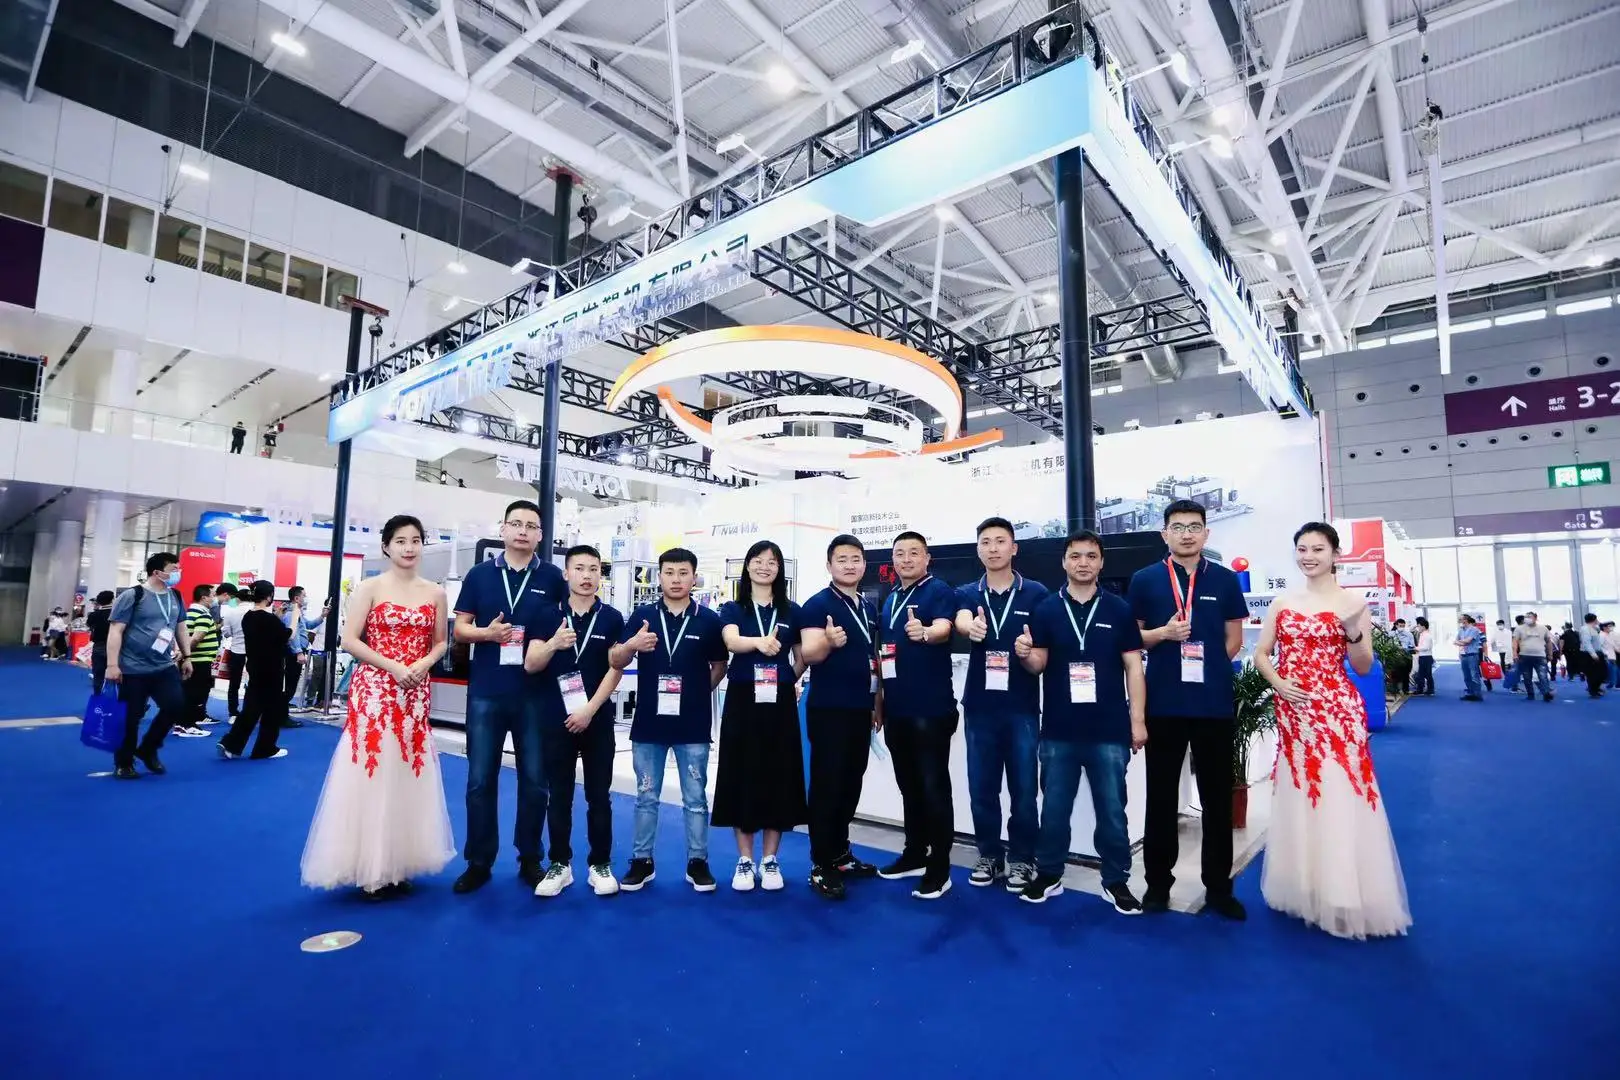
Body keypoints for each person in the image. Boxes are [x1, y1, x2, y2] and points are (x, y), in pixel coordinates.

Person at [1253, 522, 1411, 940]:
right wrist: (1278, 683)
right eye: (1302, 548)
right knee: (1300, 789)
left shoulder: (1352, 602)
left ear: (1335, 554)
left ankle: (1343, 891)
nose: (1308, 556)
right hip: (1294, 712)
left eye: (1318, 549)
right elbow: (1262, 653)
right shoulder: (1283, 602)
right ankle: (1302, 884)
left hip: (1336, 711)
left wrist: (1353, 629)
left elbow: (1363, 665)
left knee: (1340, 791)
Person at [301, 514, 455, 900]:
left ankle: (398, 862)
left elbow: (441, 641)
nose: (409, 548)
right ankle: (369, 866)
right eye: (401, 541)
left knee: (407, 770)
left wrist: (422, 664)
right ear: (386, 546)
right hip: (375, 690)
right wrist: (394, 667)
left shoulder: (435, 593)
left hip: (415, 692)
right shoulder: (369, 588)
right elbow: (351, 640)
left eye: (415, 540)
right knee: (373, 769)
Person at [1128, 499, 1249, 920]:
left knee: (1217, 799)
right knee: (1160, 798)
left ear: (1206, 533)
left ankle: (1219, 888)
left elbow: (1234, 639)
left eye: (1194, 526)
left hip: (1213, 705)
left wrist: (1209, 667)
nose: (1186, 534)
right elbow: (1133, 640)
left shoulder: (1226, 580)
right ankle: (1157, 886)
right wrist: (1164, 633)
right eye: (1177, 527)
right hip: (1164, 703)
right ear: (1165, 534)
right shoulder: (1145, 579)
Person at [1017, 530, 1146, 912]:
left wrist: (1137, 721)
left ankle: (1116, 881)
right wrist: (1024, 653)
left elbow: (1134, 667)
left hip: (1110, 730)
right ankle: (1049, 874)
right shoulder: (1046, 608)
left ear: (1101, 562)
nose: (1083, 563)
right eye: (1075, 556)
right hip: (1059, 731)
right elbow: (1038, 664)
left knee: (1112, 812)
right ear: (1064, 562)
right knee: (1054, 810)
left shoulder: (1119, 609)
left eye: (1091, 556)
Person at [451, 499, 566, 894]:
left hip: (535, 694)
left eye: (530, 526)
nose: (522, 531)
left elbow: (564, 627)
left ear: (540, 535)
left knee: (535, 782)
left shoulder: (553, 578)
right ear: (502, 529)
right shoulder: (479, 575)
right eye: (515, 524)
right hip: (487, 691)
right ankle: (479, 861)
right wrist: (488, 634)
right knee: (480, 781)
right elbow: (460, 629)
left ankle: (530, 857)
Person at [612, 547, 728, 893]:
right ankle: (641, 860)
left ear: (694, 577)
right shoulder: (643, 616)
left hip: (693, 725)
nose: (676, 580)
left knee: (696, 798)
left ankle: (698, 861)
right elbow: (616, 659)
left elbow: (720, 666)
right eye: (669, 572)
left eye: (683, 573)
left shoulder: (709, 620)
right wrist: (632, 644)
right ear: (659, 576)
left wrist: (696, 694)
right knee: (646, 795)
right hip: (649, 723)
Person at [523, 545, 626, 898]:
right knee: (559, 795)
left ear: (600, 576)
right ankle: (560, 864)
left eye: (593, 569)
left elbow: (616, 669)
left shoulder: (612, 618)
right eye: (579, 568)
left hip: (596, 718)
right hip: (556, 717)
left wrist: (589, 710)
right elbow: (531, 664)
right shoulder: (546, 614)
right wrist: (553, 643)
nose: (586, 576)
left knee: (599, 796)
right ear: (566, 573)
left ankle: (600, 864)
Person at [953, 516, 1048, 891]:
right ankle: (989, 855)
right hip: (979, 707)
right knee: (982, 788)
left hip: (1021, 707)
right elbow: (961, 619)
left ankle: (1023, 858)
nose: (993, 548)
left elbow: (1042, 653)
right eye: (986, 542)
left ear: (1014, 548)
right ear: (978, 550)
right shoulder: (968, 592)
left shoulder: (1036, 593)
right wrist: (970, 627)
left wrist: (1027, 650)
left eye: (1000, 541)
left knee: (1024, 790)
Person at [715, 540, 807, 893]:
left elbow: (802, 656)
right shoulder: (733, 607)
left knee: (778, 776)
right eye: (758, 560)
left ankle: (770, 859)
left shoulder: (792, 610)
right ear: (747, 566)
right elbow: (731, 641)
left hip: (779, 703)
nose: (765, 566)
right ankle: (744, 859)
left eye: (772, 562)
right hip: (742, 700)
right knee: (742, 774)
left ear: (780, 569)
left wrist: (786, 679)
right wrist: (758, 643)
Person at [797, 535, 882, 901]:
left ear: (864, 564)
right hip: (829, 709)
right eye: (842, 559)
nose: (850, 565)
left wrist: (877, 700)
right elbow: (809, 654)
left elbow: (873, 658)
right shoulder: (817, 605)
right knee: (828, 785)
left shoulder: (868, 606)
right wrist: (828, 641)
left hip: (860, 707)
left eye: (855, 559)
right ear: (829, 565)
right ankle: (821, 863)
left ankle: (841, 853)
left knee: (851, 782)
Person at [877, 531, 961, 901]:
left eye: (914, 553)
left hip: (930, 709)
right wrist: (880, 702)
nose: (907, 559)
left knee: (933, 787)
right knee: (909, 786)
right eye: (900, 553)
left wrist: (926, 632)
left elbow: (944, 628)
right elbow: (885, 654)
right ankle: (914, 853)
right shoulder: (892, 597)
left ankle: (940, 867)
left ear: (927, 558)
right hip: (897, 709)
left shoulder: (938, 590)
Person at [105, 553, 193, 779]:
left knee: (175, 706)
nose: (178, 573)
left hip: (164, 666)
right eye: (174, 569)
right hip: (133, 668)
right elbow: (115, 630)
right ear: (157, 572)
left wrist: (187, 656)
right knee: (130, 717)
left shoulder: (175, 595)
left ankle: (148, 748)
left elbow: (180, 627)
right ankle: (124, 762)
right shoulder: (133, 595)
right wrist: (112, 665)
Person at [217, 581, 293, 760]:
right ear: (269, 596)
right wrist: (295, 616)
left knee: (251, 707)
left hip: (255, 666)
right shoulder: (268, 619)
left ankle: (231, 743)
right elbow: (287, 635)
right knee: (271, 709)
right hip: (272, 669)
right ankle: (265, 748)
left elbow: (267, 635)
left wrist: (277, 617)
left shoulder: (249, 617)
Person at [179, 583, 223, 736]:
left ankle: (184, 723)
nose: (214, 598)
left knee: (189, 692)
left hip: (194, 660)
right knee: (195, 693)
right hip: (199, 661)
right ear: (204, 598)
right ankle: (187, 724)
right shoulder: (202, 614)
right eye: (212, 595)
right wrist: (184, 654)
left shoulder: (189, 612)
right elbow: (196, 638)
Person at [281, 587, 325, 724]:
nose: (306, 598)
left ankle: (281, 714)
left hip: (296, 652)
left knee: (291, 684)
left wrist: (322, 616)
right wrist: (299, 652)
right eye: (304, 596)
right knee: (290, 685)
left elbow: (308, 624)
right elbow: (293, 635)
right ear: (296, 598)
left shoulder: (297, 613)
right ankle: (281, 716)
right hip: (293, 654)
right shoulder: (291, 614)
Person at [220, 583, 248, 716]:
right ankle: (249, 711)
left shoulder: (231, 612)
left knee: (234, 683)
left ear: (237, 598)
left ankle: (233, 712)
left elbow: (226, 633)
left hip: (237, 650)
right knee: (253, 683)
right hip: (254, 652)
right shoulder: (256, 612)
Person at [1513, 611, 1553, 702]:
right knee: (1527, 677)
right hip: (1524, 656)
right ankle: (1530, 695)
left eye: (1529, 617)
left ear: (1535, 618)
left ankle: (1546, 694)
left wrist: (1550, 654)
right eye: (1526, 617)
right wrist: (1515, 653)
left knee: (1543, 676)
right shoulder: (1519, 628)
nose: (1527, 618)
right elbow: (1515, 641)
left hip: (1540, 656)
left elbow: (1548, 642)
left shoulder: (1543, 628)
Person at [87, 590, 115, 695]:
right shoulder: (117, 614)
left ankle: (97, 697)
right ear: (112, 599)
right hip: (116, 647)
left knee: (98, 674)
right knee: (116, 673)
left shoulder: (93, 615)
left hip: (98, 646)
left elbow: (89, 625)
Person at [1455, 615, 1484, 701]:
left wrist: (1461, 642)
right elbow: (1456, 641)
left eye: (1461, 619)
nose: (1459, 620)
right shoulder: (1461, 630)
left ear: (1466, 620)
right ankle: (1471, 693)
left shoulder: (1474, 629)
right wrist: (1463, 642)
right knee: (1466, 676)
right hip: (1463, 655)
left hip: (1472, 655)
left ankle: (1477, 695)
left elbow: (1468, 641)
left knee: (1474, 675)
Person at [1579, 613, 1606, 698]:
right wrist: (1593, 654)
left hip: (1598, 652)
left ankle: (1596, 688)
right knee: (1592, 674)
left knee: (1602, 673)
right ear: (1594, 620)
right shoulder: (1585, 629)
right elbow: (1587, 643)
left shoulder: (1594, 628)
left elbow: (1597, 638)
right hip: (1590, 654)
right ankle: (1593, 691)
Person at [1411, 617, 1435, 696]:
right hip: (1422, 656)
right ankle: (1420, 689)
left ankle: (1430, 690)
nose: (1418, 628)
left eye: (1419, 626)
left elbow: (1426, 647)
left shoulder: (1427, 635)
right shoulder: (1422, 634)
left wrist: (1415, 648)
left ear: (1423, 627)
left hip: (1426, 657)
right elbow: (1411, 629)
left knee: (1428, 674)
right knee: (1420, 674)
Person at [1487, 619, 1512, 692]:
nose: (1499, 626)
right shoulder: (1495, 632)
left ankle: (1509, 674)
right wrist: (1487, 646)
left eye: (1500, 624)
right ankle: (1505, 674)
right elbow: (1491, 640)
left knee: (1509, 662)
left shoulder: (1508, 632)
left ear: (1503, 624)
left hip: (1509, 649)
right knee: (1503, 661)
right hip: (1501, 649)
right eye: (1498, 624)